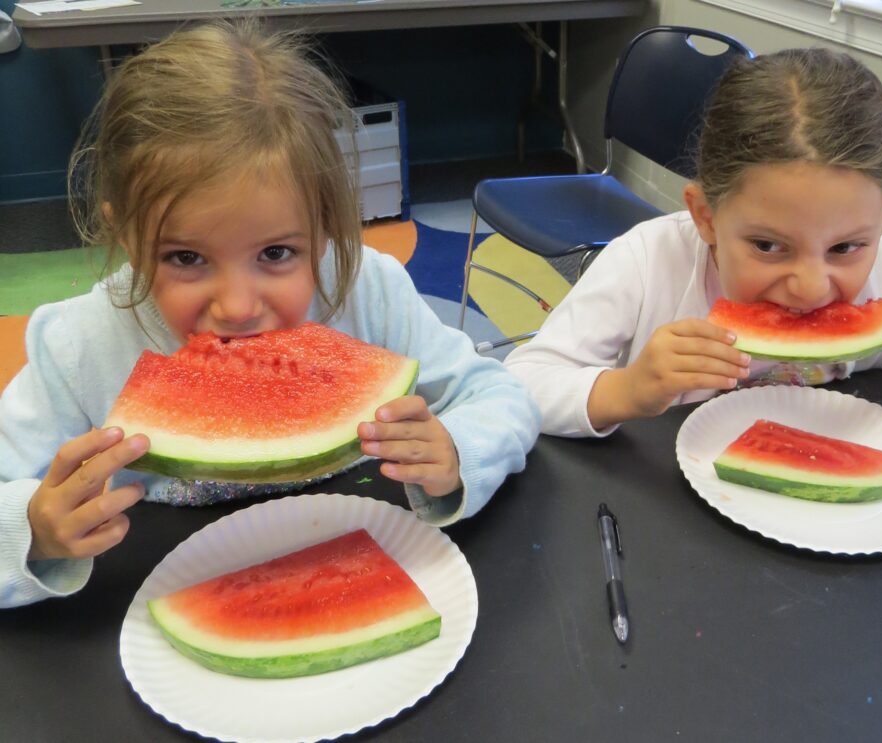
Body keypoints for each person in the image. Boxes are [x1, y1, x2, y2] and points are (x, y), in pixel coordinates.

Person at [0, 22, 540, 608]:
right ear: (127, 236)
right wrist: (33, 530)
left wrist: (459, 449)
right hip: (156, 597)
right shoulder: (77, 347)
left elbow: (502, 397)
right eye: (186, 257)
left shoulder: (369, 294)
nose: (236, 307)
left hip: (354, 558)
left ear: (326, 227)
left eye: (276, 254)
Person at [505, 47, 882, 437]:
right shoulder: (648, 261)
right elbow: (522, 382)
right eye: (768, 246)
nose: (809, 286)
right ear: (705, 217)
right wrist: (626, 389)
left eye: (846, 248)